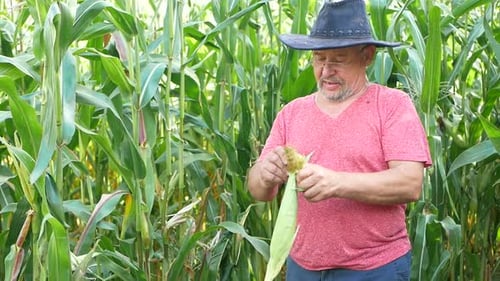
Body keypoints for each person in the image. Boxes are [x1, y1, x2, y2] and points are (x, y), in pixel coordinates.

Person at [247, 0, 432, 280]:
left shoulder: (392, 106)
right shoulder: (292, 113)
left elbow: (410, 183)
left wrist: (336, 183)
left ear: (367, 56)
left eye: (338, 60)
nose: (326, 70)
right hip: (303, 268)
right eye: (319, 59)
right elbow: (258, 190)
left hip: (375, 269)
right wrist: (264, 173)